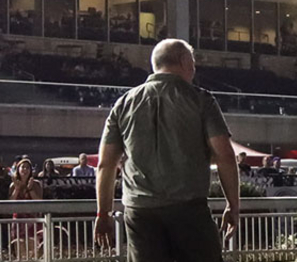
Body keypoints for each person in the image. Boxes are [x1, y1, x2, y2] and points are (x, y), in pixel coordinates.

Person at [94, 39, 239, 262]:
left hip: (140, 212)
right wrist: (233, 205)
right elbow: (225, 156)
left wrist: (102, 213)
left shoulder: (123, 104)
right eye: (192, 62)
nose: (194, 68)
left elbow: (105, 164)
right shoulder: (201, 100)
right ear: (183, 61)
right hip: (188, 211)